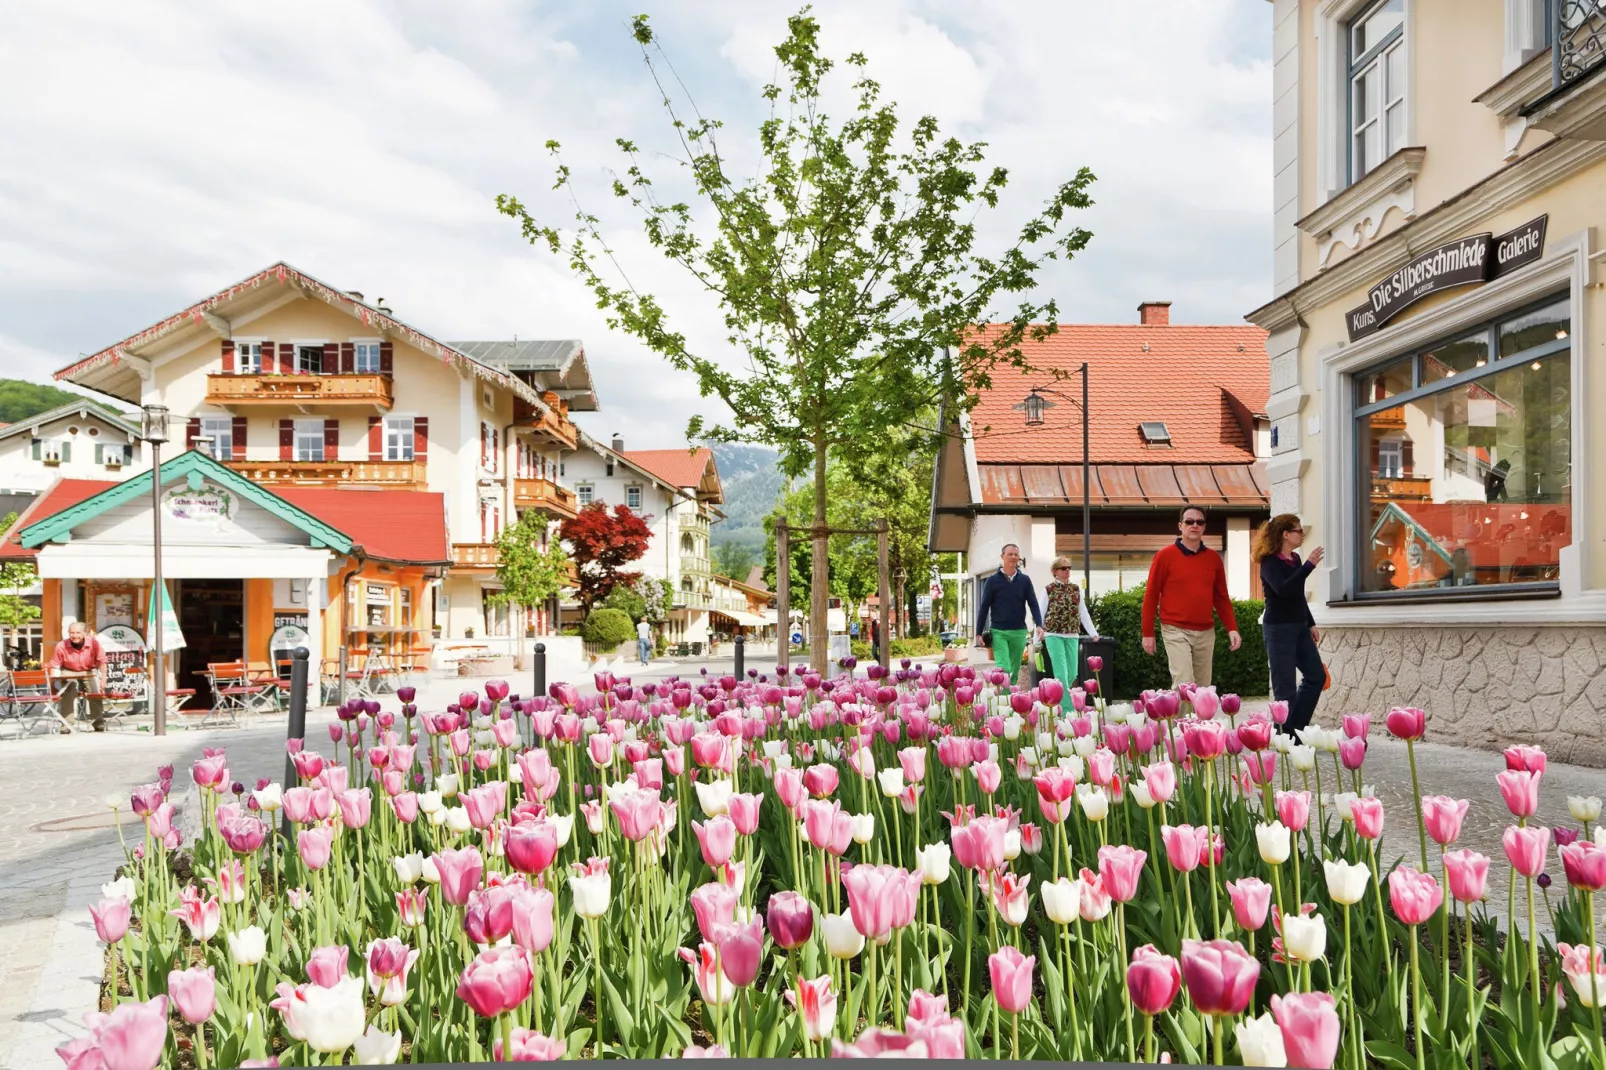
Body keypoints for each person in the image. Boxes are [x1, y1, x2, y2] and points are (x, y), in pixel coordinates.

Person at [1140, 504, 1240, 688]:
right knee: (1184, 683)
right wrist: (1147, 633)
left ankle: (1197, 718)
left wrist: (1232, 628)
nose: (1195, 525)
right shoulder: (1164, 556)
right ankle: (1180, 719)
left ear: (1204, 527)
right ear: (1180, 526)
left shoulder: (1213, 558)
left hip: (1206, 632)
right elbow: (1151, 595)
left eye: (1199, 522)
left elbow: (1221, 598)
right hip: (1175, 629)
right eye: (1189, 521)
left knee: (1202, 688)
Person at [1254, 513, 1325, 736]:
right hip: (1278, 630)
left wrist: (1310, 622)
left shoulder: (1293, 559)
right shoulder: (1269, 562)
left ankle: (1295, 729)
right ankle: (1286, 736)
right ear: (1286, 534)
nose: (1302, 534)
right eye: (1298, 530)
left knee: (1316, 677)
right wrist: (1308, 567)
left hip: (1299, 627)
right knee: (1285, 689)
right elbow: (1283, 590)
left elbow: (1297, 595)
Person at [974, 543, 1044, 685]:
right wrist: (978, 632)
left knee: (1014, 669)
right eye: (1009, 554)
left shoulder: (1025, 580)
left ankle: (1010, 699)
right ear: (1002, 557)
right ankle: (1004, 699)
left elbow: (1033, 603)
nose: (1013, 557)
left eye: (1016, 554)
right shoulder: (992, 581)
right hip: (999, 631)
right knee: (1003, 668)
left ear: (1018, 558)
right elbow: (984, 607)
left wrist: (1039, 624)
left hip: (1019, 631)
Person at [1042, 556, 1098, 683]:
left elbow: (1083, 612)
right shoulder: (1048, 589)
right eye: (1063, 568)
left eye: (1069, 568)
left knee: (1072, 674)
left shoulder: (1075, 589)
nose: (1067, 570)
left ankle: (1058, 697)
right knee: (1061, 674)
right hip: (1053, 634)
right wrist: (1037, 637)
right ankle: (1067, 703)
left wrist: (1093, 632)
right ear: (1055, 571)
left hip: (1072, 634)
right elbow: (1040, 612)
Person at [48, 620, 107, 732]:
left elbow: (102, 662)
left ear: (85, 633)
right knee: (69, 693)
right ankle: (66, 724)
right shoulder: (61, 646)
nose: (74, 636)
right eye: (72, 633)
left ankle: (98, 722)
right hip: (68, 670)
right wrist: (52, 685)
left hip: (88, 670)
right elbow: (55, 665)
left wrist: (103, 680)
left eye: (77, 633)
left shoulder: (94, 644)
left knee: (95, 694)